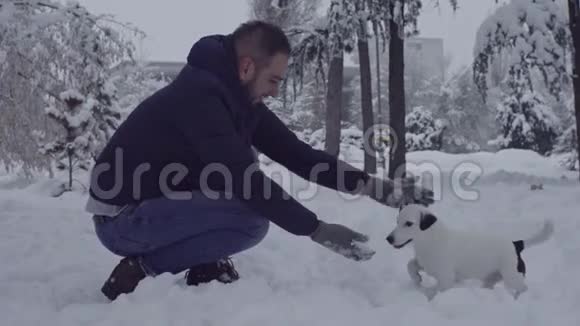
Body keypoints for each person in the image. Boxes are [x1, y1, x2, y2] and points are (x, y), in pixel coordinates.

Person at [86, 20, 434, 301]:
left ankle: (203, 262)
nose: (275, 91)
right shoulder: (200, 98)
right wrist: (317, 229)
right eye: (273, 80)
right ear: (247, 67)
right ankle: (142, 267)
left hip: (153, 206)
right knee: (250, 219)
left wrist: (375, 187)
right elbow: (247, 183)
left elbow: (298, 155)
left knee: (236, 187)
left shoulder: (235, 99)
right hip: (121, 220)